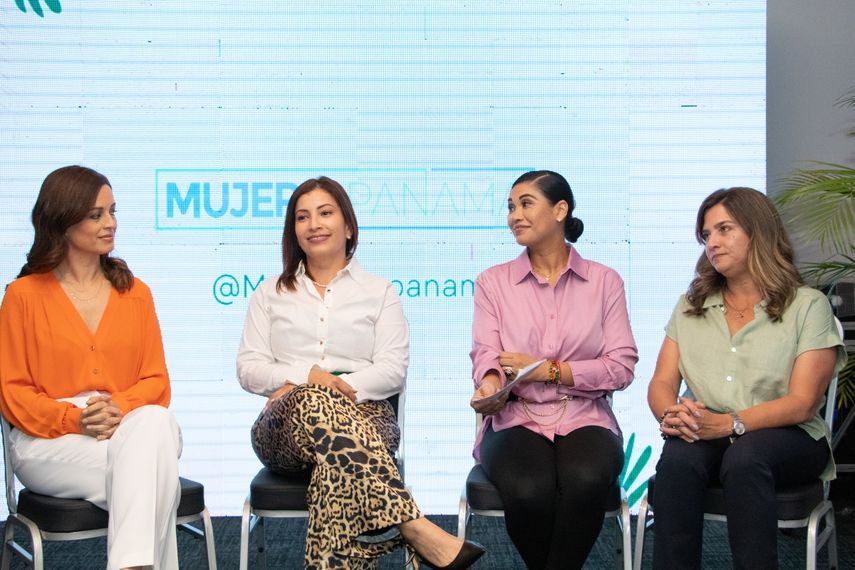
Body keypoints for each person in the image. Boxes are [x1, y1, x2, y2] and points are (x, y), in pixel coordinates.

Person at [237, 176, 485, 570]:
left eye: (325, 213)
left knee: (335, 471)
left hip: (368, 416)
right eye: (302, 217)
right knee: (312, 402)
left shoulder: (379, 292)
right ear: (293, 231)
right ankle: (412, 525)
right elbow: (249, 369)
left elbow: (392, 370)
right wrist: (308, 378)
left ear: (349, 226)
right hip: (284, 427)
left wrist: (329, 388)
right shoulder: (270, 293)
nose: (314, 224)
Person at [647, 187, 846, 569]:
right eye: (706, 235)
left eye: (724, 229)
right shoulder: (691, 306)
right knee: (678, 461)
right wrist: (671, 415)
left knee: (745, 457)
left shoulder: (808, 305)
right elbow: (662, 382)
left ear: (759, 231)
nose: (712, 243)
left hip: (790, 435)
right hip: (709, 428)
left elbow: (803, 403)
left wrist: (729, 424)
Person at [0, 165, 182, 570]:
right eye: (96, 215)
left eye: (113, 211)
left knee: (154, 424)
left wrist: (118, 407)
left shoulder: (135, 293)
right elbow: (13, 394)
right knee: (155, 470)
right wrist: (75, 419)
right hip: (47, 439)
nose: (110, 223)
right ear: (62, 222)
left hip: (128, 425)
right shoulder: (22, 296)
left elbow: (156, 381)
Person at [469, 170, 638, 570]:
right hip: (514, 417)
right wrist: (490, 384)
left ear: (560, 210)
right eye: (511, 207)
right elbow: (487, 355)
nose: (514, 216)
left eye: (526, 204)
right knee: (528, 489)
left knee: (586, 478)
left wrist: (549, 371)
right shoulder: (492, 282)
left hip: (586, 414)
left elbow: (621, 366)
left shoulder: (604, 282)